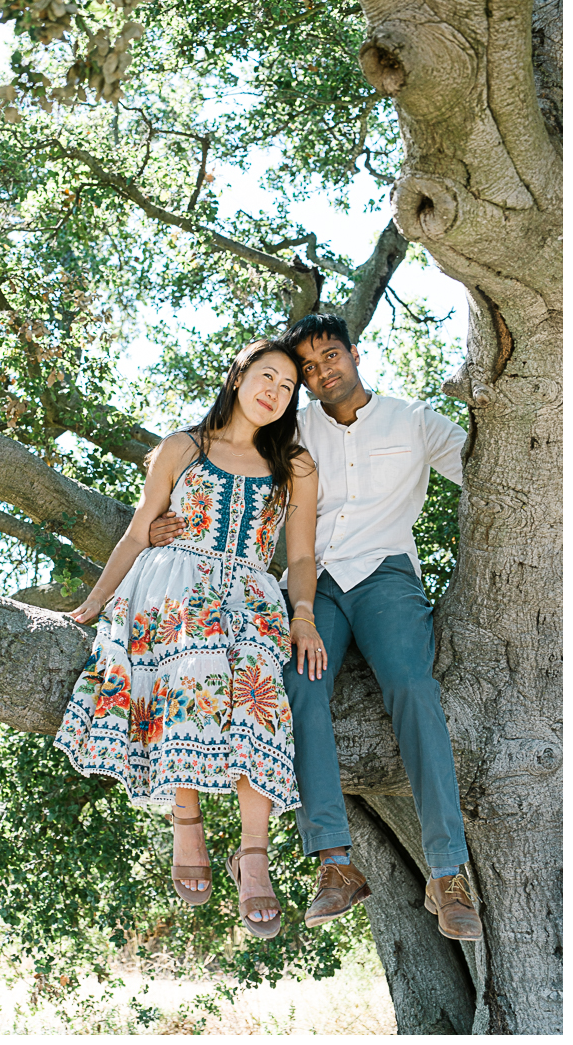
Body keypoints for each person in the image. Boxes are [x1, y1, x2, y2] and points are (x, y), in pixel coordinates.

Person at [150, 313, 483, 943]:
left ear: (354, 354)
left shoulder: (413, 421)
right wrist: (167, 524)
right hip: (313, 585)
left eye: (330, 356)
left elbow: (489, 475)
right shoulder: (293, 431)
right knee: (297, 689)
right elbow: (221, 462)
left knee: (414, 687)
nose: (320, 371)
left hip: (386, 575)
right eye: (308, 367)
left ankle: (447, 872)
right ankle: (335, 863)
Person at [54, 338, 323, 940]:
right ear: (238, 376)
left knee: (258, 700)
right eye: (266, 376)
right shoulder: (183, 448)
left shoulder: (295, 465)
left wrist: (301, 614)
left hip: (252, 596)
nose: (275, 392)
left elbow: (300, 555)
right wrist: (94, 604)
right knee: (190, 675)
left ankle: (254, 855)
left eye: (286, 388)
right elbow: (135, 532)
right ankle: (186, 819)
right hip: (172, 587)